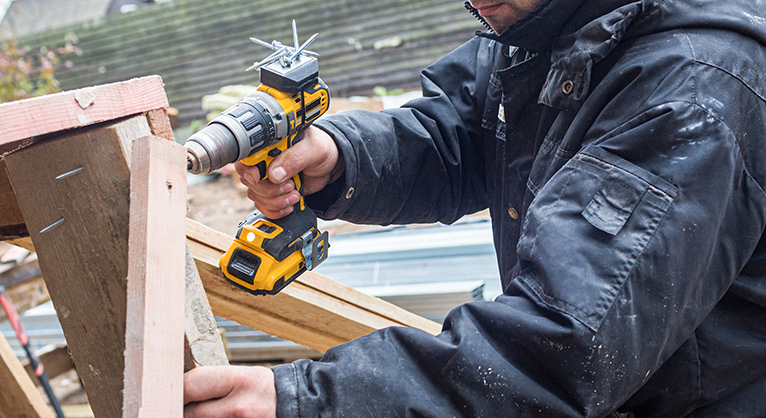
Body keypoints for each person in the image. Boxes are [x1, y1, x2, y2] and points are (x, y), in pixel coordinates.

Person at [183, 0, 766, 416]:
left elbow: (562, 343)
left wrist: (303, 401)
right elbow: (461, 134)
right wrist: (341, 158)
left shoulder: (691, 90)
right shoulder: (540, 23)